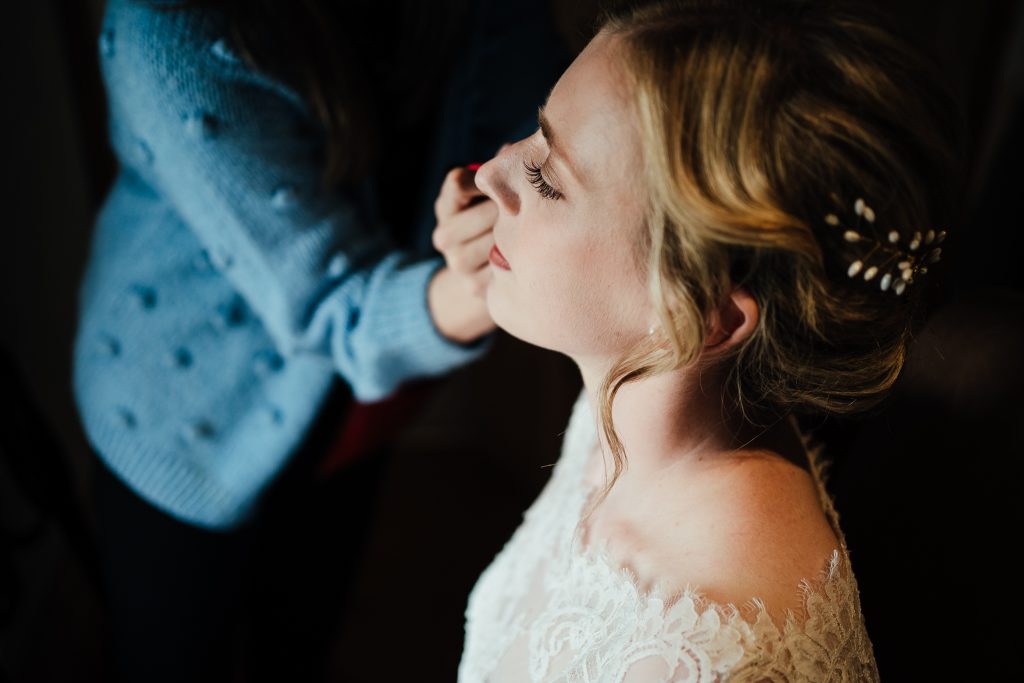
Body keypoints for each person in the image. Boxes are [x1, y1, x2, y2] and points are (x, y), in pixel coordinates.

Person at [437, 0, 960, 680]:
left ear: (706, 316)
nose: (489, 173)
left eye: (545, 178)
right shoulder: (641, 399)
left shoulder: (704, 660)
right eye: (536, 134)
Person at [72, 0, 571, 680]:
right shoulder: (167, 29)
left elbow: (532, 122)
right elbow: (335, 312)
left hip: (365, 403)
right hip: (189, 413)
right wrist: (491, 276)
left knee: (303, 638)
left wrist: (515, 209)